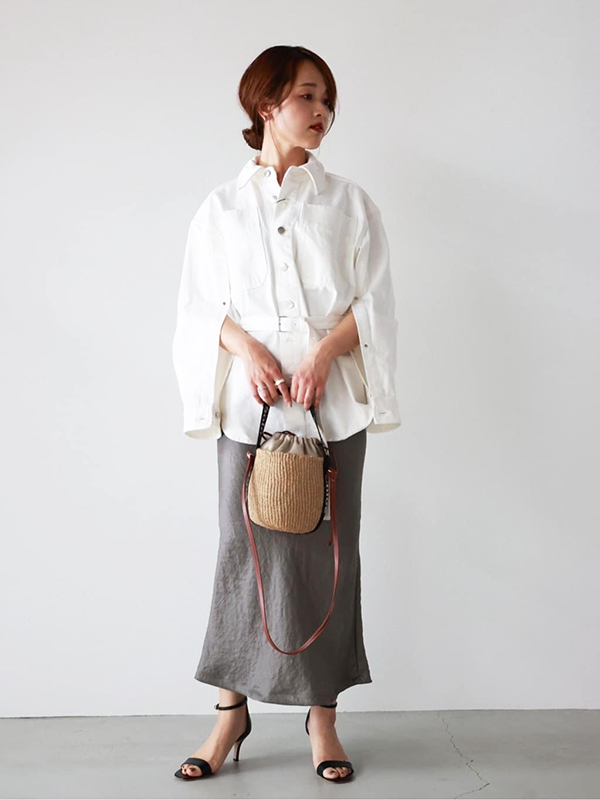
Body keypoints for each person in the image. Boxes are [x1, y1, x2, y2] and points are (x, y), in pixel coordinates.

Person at [171, 45, 401, 784]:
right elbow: (198, 307)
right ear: (266, 104)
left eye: (328, 99)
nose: (322, 110)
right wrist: (247, 350)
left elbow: (375, 302)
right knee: (240, 555)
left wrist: (325, 353)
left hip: (331, 414)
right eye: (307, 95)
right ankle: (229, 714)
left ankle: (322, 719)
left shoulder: (349, 203)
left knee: (331, 558)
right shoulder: (222, 208)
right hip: (252, 414)